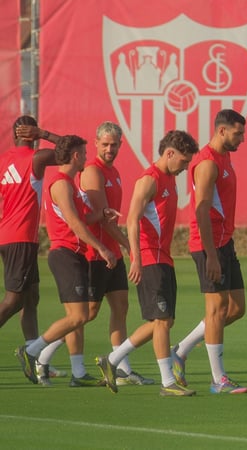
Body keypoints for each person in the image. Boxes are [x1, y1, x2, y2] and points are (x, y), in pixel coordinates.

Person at [96, 130, 199, 396]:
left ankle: (113, 360)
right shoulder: (149, 179)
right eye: (184, 161)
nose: (186, 167)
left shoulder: (169, 179)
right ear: (170, 153)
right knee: (162, 321)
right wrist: (137, 258)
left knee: (164, 321)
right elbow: (132, 220)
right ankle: (168, 383)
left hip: (163, 258)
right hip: (150, 257)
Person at [15, 135, 118, 385]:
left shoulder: (69, 183)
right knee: (79, 316)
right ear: (75, 156)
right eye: (84, 153)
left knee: (78, 318)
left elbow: (83, 219)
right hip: (65, 254)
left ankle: (78, 372)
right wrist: (102, 248)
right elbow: (75, 224)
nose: (86, 158)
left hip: (74, 255)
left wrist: (101, 214)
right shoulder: (61, 184)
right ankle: (31, 352)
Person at [170, 109, 247, 394]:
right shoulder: (207, 163)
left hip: (225, 242)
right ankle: (218, 379)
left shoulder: (224, 157)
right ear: (221, 130)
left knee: (236, 308)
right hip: (209, 245)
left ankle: (180, 350)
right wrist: (211, 255)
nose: (242, 139)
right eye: (238, 133)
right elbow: (201, 210)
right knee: (215, 310)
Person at [79, 121, 153, 386]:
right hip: (95, 253)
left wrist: (123, 248)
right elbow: (103, 220)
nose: (110, 149)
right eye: (105, 144)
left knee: (121, 306)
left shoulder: (114, 171)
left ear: (121, 144)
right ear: (96, 143)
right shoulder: (93, 171)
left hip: (112, 253)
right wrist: (131, 247)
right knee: (87, 313)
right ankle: (42, 353)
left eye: (114, 145)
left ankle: (121, 368)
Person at [1, 117, 68, 385]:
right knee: (14, 301)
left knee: (31, 297)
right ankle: (32, 355)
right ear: (32, 135)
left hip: (10, 235)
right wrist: (44, 133)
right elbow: (69, 150)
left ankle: (36, 359)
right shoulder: (36, 158)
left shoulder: (4, 159)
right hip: (20, 238)